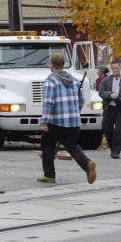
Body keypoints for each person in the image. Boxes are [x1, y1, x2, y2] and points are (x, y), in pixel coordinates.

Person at [39, 53, 97, 185]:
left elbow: (48, 102)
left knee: (47, 146)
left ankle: (49, 175)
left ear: (51, 65)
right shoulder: (73, 80)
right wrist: (74, 113)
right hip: (74, 121)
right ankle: (87, 165)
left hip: (56, 122)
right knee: (72, 147)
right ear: (63, 65)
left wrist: (44, 122)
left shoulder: (51, 80)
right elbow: (81, 100)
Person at [98, 61, 121, 159]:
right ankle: (112, 147)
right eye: (113, 68)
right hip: (109, 108)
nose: (115, 70)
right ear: (111, 69)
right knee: (107, 129)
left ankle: (117, 150)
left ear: (120, 68)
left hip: (120, 109)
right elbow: (101, 93)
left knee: (119, 130)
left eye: (117, 68)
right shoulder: (105, 81)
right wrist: (110, 95)